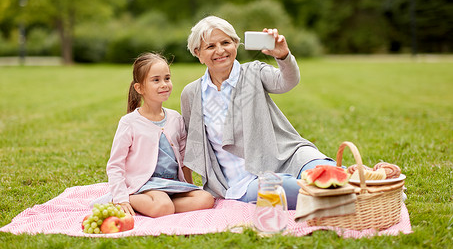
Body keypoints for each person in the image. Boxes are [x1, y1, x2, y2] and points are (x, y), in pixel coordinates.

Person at [181, 16, 337, 210]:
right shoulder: (192, 94)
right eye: (210, 46)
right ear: (198, 53)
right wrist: (187, 187)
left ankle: (369, 183)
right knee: (289, 189)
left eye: (226, 42)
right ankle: (347, 196)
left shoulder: (254, 71)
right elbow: (189, 144)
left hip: (286, 155)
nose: (220, 50)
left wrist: (283, 56)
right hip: (242, 179)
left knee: (329, 173)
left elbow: (287, 82)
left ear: (236, 44)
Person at [94, 52, 214, 218]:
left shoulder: (175, 118)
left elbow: (183, 157)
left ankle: (162, 207)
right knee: (162, 204)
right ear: (139, 88)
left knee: (206, 199)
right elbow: (115, 165)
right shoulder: (129, 122)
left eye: (167, 78)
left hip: (172, 183)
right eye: (156, 80)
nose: (164, 84)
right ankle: (128, 199)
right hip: (146, 184)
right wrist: (122, 198)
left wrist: (189, 186)